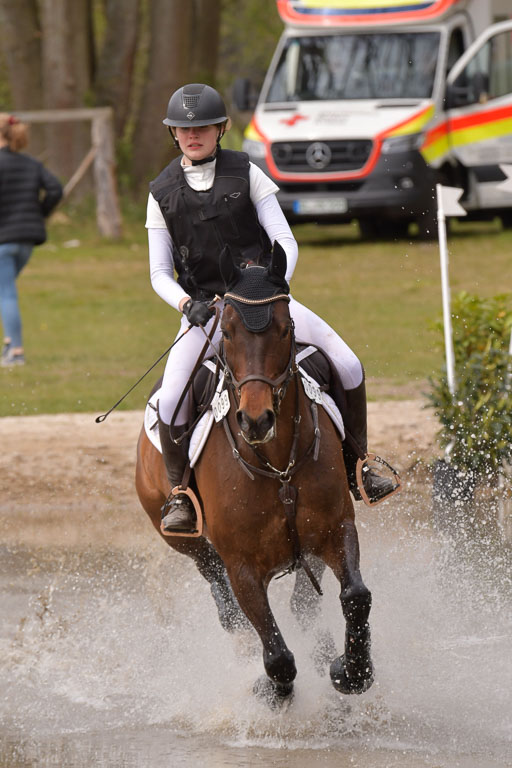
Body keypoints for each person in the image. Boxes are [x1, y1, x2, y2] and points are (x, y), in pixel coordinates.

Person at [146, 83, 393, 533]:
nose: (193, 135)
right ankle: (180, 493)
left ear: (220, 129)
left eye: (202, 127)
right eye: (184, 129)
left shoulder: (246, 171)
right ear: (174, 135)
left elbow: (285, 241)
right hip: (207, 314)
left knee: (349, 363)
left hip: (266, 300)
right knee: (171, 397)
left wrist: (272, 284)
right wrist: (188, 304)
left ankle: (360, 465)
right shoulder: (161, 192)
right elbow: (158, 272)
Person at [0, 114, 63, 367]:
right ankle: (8, 343)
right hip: (26, 241)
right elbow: (56, 189)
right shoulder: (30, 163)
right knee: (4, 291)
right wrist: (41, 213)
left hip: (3, 241)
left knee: (6, 294)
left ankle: (16, 352)